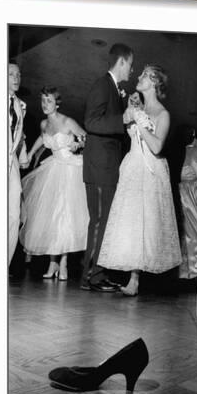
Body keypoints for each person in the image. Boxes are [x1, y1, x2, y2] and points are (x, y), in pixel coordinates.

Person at [97, 65, 182, 296]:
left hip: (151, 170)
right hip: (133, 165)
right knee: (131, 222)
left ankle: (138, 279)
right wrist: (132, 112)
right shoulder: (138, 107)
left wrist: (141, 122)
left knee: (147, 222)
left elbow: (156, 146)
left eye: (144, 75)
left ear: (154, 82)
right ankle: (133, 279)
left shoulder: (163, 114)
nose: (139, 77)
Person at [19, 86, 89, 281]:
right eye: (43, 101)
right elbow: (43, 140)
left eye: (49, 101)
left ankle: (64, 261)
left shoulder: (67, 122)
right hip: (53, 167)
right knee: (50, 215)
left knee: (65, 215)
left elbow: (87, 138)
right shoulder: (44, 124)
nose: (45, 105)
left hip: (70, 169)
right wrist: (31, 153)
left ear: (57, 103)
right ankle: (53, 261)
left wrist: (78, 144)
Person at [81, 43, 134, 292]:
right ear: (122, 62)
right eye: (130, 65)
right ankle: (90, 276)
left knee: (103, 222)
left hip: (108, 168)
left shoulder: (114, 88)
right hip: (100, 167)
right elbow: (91, 121)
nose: (131, 71)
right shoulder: (102, 85)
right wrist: (122, 119)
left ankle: (99, 274)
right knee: (99, 221)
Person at [178, 128, 197, 279]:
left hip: (182, 193)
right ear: (196, 138)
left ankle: (188, 270)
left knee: (187, 233)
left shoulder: (180, 152)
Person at [8, 63, 28, 266]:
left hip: (11, 162)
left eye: (19, 74)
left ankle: (4, 262)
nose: (16, 78)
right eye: (12, 74)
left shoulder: (20, 105)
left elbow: (19, 136)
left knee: (14, 213)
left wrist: (23, 157)